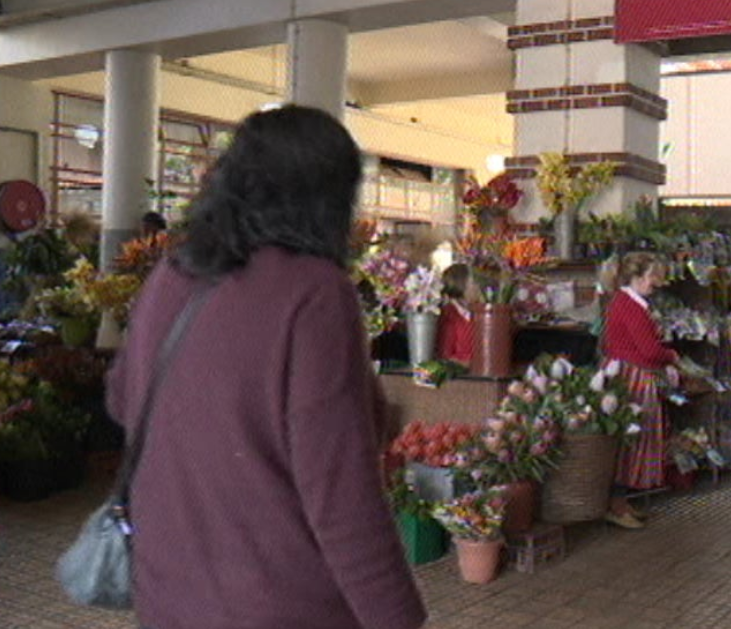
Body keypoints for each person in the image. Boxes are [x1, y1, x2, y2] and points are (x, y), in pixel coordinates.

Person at [105, 106, 427, 629]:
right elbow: (341, 497)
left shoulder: (172, 275)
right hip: (278, 605)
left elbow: (122, 399)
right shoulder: (316, 294)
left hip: (167, 596)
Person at [601, 251, 681, 529]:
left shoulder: (626, 302)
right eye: (651, 277)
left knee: (632, 439)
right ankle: (617, 505)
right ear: (636, 277)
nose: (655, 283)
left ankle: (621, 501)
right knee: (632, 441)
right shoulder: (630, 306)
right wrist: (670, 356)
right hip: (632, 378)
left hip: (628, 372)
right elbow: (647, 349)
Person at [436, 262, 476, 367]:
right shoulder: (448, 315)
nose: (477, 286)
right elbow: (445, 357)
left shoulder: (475, 312)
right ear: (461, 285)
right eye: (473, 283)